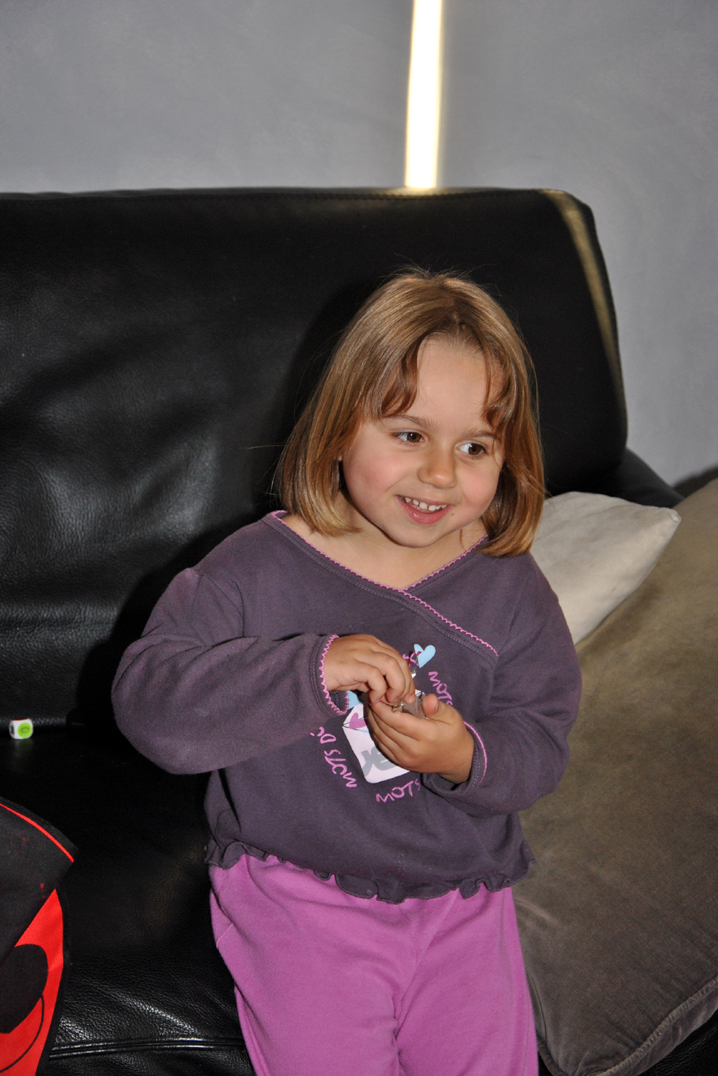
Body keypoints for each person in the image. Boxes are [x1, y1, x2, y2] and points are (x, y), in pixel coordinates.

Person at [113, 270, 581, 1076]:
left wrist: (463, 757)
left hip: (465, 901)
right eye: (409, 434)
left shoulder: (511, 587)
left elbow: (542, 741)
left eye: (475, 446)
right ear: (336, 430)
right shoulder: (254, 569)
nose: (442, 473)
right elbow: (152, 707)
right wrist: (311, 668)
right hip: (299, 898)